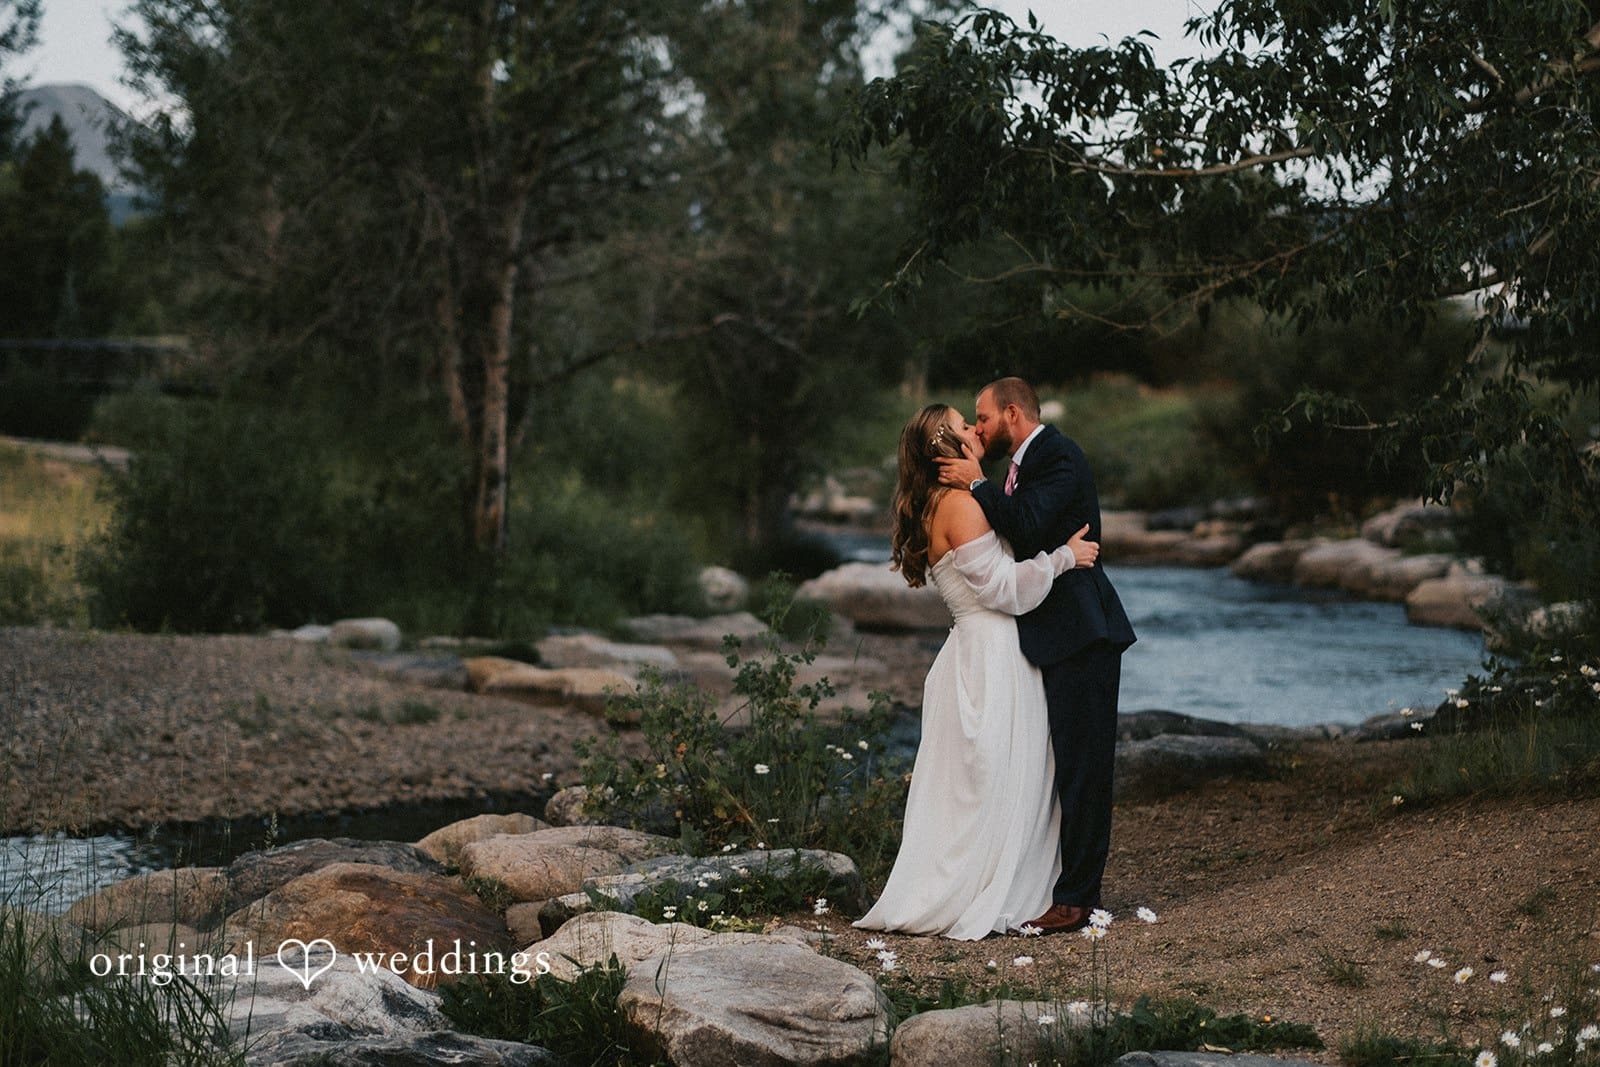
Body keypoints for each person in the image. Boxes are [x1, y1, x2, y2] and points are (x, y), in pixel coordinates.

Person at [854, 403, 1099, 940]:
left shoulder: (937, 502)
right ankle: (989, 888)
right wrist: (1065, 557)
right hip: (992, 654)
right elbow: (1003, 590)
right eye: (965, 424)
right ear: (948, 444)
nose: (974, 429)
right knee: (999, 775)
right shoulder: (960, 507)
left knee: (979, 780)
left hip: (969, 650)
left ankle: (984, 880)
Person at [935, 376, 1136, 934]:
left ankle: (1078, 900)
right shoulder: (1021, 465)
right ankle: (1064, 886)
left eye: (983, 418)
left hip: (1083, 631)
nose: (976, 428)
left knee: (1084, 765)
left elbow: (1023, 526)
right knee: (1066, 762)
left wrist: (977, 484)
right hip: (1055, 633)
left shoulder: (1059, 457)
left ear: (1013, 413)